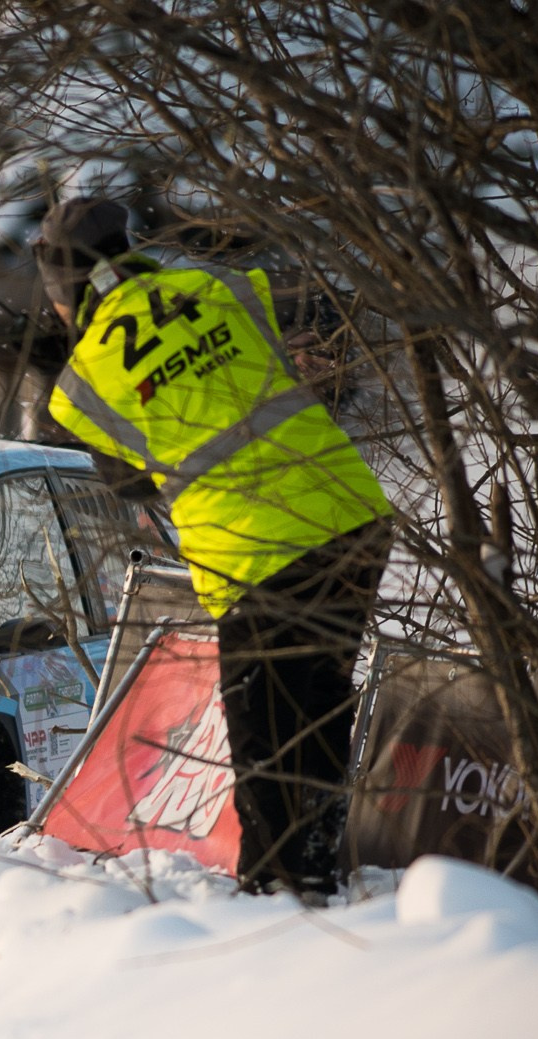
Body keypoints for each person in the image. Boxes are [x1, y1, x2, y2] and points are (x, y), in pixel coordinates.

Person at [39, 196, 395, 900]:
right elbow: (312, 334)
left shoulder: (80, 384)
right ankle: (313, 875)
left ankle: (281, 896)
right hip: (347, 515)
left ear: (65, 293)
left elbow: (132, 482)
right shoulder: (219, 285)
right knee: (318, 702)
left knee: (266, 737)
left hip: (255, 550)